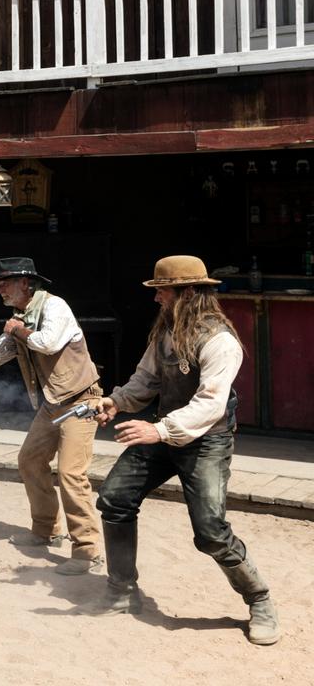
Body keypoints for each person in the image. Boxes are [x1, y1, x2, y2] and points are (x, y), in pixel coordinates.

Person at [90, 255, 279, 646]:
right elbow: (146, 378)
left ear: (187, 292)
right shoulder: (165, 332)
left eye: (162, 290)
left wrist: (158, 430)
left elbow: (210, 405)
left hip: (205, 440)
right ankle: (123, 590)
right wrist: (117, 401)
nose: (157, 298)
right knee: (114, 498)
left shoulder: (221, 341)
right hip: (162, 432)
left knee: (209, 531)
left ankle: (259, 599)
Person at [0, 257, 104, 574]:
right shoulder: (19, 318)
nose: (0, 288)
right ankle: (46, 529)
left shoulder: (54, 307)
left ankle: (87, 550)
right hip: (53, 404)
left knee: (72, 473)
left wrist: (18, 329)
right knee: (29, 460)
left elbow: (47, 343)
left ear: (25, 283)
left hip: (81, 401)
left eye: (5, 282)